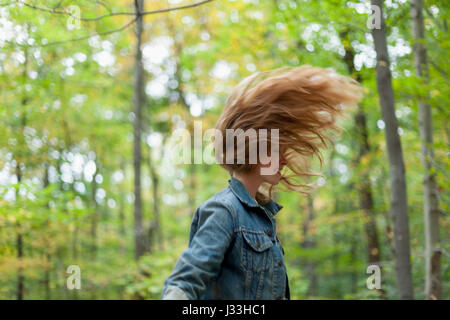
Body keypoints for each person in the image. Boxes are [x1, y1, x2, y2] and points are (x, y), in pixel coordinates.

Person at [161, 65, 363, 299]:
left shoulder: (261, 219)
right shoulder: (223, 211)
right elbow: (183, 283)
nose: (286, 161)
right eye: (280, 151)